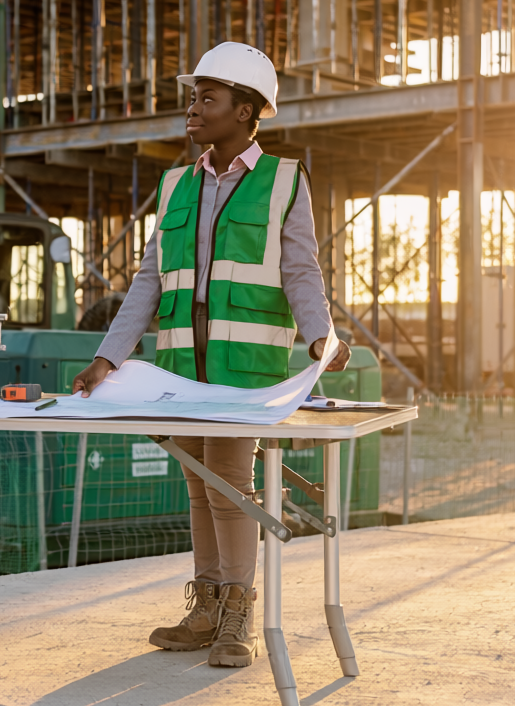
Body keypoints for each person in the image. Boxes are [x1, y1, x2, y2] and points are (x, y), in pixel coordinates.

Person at [72, 42, 351, 668]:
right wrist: (108, 358)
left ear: (247, 110)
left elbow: (301, 271)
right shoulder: (177, 183)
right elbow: (148, 280)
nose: (193, 109)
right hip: (178, 370)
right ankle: (205, 607)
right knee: (201, 490)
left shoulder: (284, 180)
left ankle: (237, 616)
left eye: (207, 99)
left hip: (244, 373)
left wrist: (320, 338)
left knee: (229, 488)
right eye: (193, 97)